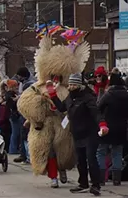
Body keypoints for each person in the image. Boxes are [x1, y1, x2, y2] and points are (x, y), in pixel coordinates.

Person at [17, 35, 86, 188]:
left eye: (59, 75)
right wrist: (39, 104)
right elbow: (23, 103)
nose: (55, 78)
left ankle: (62, 169)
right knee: (48, 151)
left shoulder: (67, 89)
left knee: (63, 149)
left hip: (61, 122)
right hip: (44, 123)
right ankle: (53, 176)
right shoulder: (37, 87)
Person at [57, 72, 102, 195]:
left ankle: (96, 184)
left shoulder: (88, 97)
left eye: (73, 84)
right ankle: (83, 183)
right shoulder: (70, 97)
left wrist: (102, 124)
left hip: (90, 132)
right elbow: (62, 108)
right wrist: (52, 94)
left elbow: (96, 113)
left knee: (91, 158)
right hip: (77, 133)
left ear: (79, 85)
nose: (70, 87)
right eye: (70, 84)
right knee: (80, 160)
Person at [96, 70, 128, 186]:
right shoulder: (127, 96)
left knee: (101, 151)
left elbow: (98, 107)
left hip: (107, 126)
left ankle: (101, 178)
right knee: (117, 152)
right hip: (121, 127)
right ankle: (117, 179)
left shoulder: (108, 95)